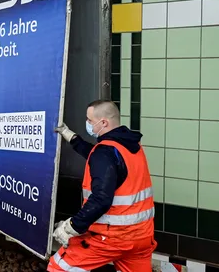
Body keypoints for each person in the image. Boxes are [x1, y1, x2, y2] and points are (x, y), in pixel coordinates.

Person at [48, 100, 156, 272]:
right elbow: (98, 155)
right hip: (141, 237)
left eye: (89, 120)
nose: (88, 124)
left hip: (113, 237)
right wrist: (71, 136)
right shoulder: (131, 146)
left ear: (103, 122)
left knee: (59, 267)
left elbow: (101, 199)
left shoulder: (105, 152)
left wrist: (72, 227)